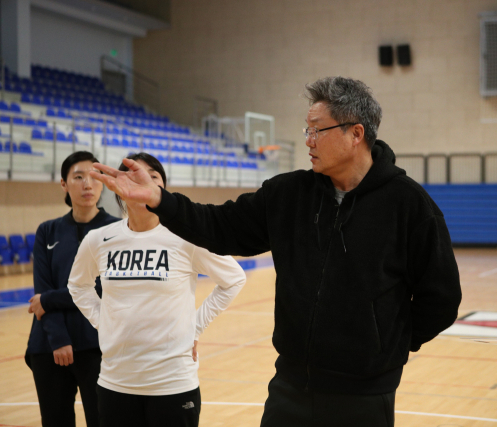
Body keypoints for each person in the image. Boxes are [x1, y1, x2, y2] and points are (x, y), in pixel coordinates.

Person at [91, 77, 462, 427]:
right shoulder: (288, 194)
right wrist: (159, 199)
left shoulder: (410, 205)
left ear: (356, 134)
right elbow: (219, 225)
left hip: (365, 396)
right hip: (289, 390)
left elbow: (441, 299)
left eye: (318, 129)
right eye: (307, 130)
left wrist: (386, 347)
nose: (308, 140)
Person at [67, 152, 247, 427]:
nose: (144, 183)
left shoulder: (186, 236)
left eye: (153, 177)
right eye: (135, 176)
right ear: (118, 188)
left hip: (172, 384)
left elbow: (233, 279)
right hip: (116, 382)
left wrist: (194, 328)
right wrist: (102, 321)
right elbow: (78, 285)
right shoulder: (99, 239)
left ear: (163, 189)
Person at [26, 151, 119, 427]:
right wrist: (59, 340)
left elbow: (104, 289)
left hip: (98, 346)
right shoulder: (47, 231)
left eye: (93, 177)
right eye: (78, 177)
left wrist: (50, 299)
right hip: (48, 347)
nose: (87, 184)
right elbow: (40, 288)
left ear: (103, 183)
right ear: (64, 184)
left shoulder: (117, 230)